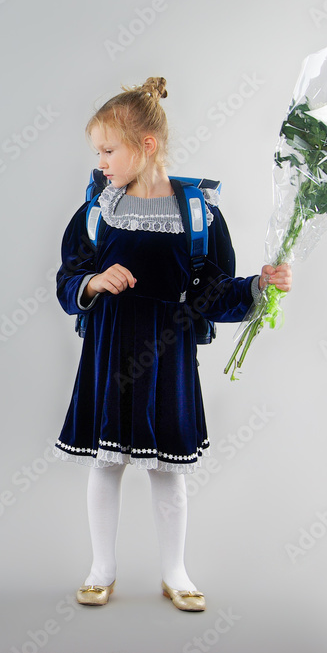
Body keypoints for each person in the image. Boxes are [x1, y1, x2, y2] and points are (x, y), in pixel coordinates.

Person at [54, 76, 292, 612]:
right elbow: (68, 278)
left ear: (146, 145)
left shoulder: (199, 214)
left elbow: (212, 292)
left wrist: (259, 286)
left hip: (169, 354)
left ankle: (175, 572)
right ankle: (101, 569)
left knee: (168, 470)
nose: (100, 162)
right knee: (106, 463)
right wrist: (94, 282)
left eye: (108, 150)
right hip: (111, 350)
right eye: (97, 152)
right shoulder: (97, 210)